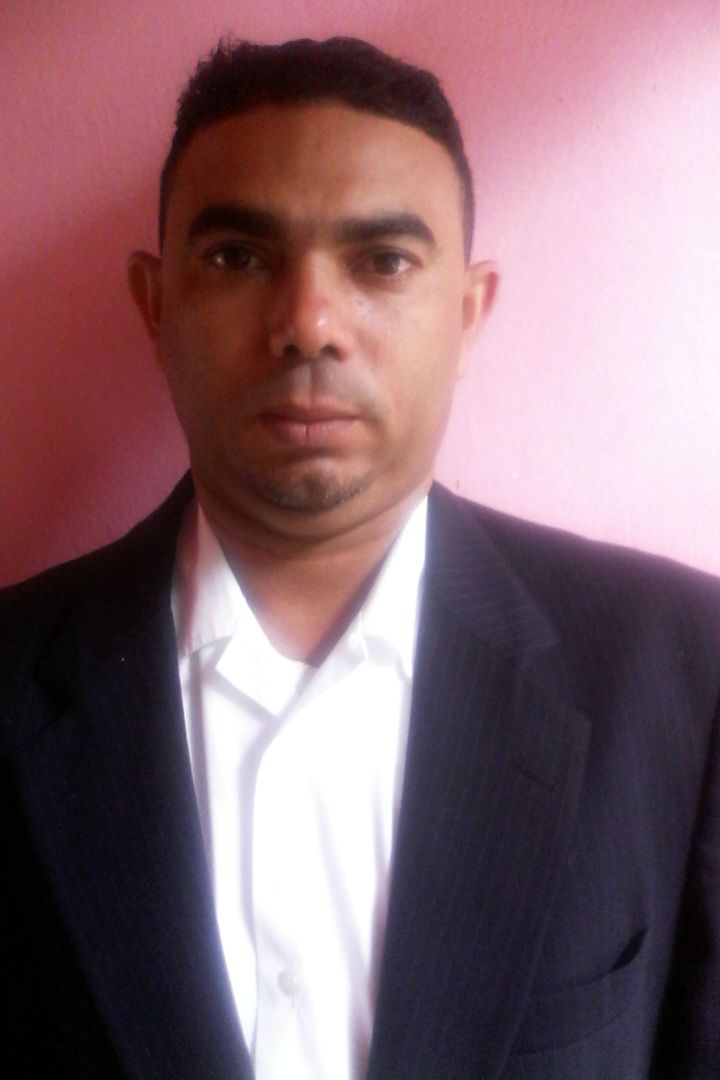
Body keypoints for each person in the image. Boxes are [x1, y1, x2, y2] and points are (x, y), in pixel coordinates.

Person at [1, 36, 719, 1080]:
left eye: (382, 261)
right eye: (238, 257)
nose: (308, 324)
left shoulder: (681, 677)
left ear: (467, 313)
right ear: (156, 306)